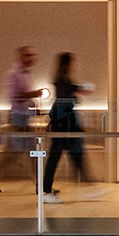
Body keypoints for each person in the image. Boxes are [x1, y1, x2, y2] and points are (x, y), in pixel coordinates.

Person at [0, 45, 46, 193]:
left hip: (25, 118)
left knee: (29, 152)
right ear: (21, 57)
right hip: (18, 118)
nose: (31, 58)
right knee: (20, 152)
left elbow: (25, 96)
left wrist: (34, 106)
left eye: (32, 55)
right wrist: (33, 95)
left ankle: (40, 185)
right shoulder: (13, 74)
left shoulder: (26, 75)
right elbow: (13, 97)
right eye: (28, 55)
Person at [41, 52, 100, 203]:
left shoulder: (63, 80)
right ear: (67, 64)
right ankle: (47, 191)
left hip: (65, 123)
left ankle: (87, 187)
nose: (75, 64)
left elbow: (65, 95)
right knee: (59, 156)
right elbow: (64, 96)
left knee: (74, 155)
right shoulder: (61, 81)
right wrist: (79, 90)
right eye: (72, 62)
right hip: (64, 124)